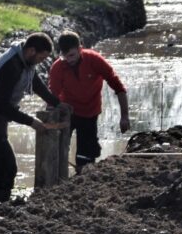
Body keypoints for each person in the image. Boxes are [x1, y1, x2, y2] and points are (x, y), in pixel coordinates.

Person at [0, 32, 65, 207]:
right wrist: (32, 122)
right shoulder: (11, 66)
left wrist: (56, 103)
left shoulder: (25, 61)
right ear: (31, 51)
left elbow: (35, 82)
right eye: (41, 57)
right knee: (8, 167)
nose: (41, 61)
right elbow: (2, 106)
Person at [48, 31, 130, 173]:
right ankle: (58, 180)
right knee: (58, 149)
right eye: (65, 56)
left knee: (85, 156)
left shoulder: (95, 60)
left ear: (80, 48)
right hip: (68, 112)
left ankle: (82, 177)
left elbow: (118, 87)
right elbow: (52, 97)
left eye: (72, 55)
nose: (69, 60)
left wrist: (124, 116)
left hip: (89, 112)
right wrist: (49, 120)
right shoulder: (58, 67)